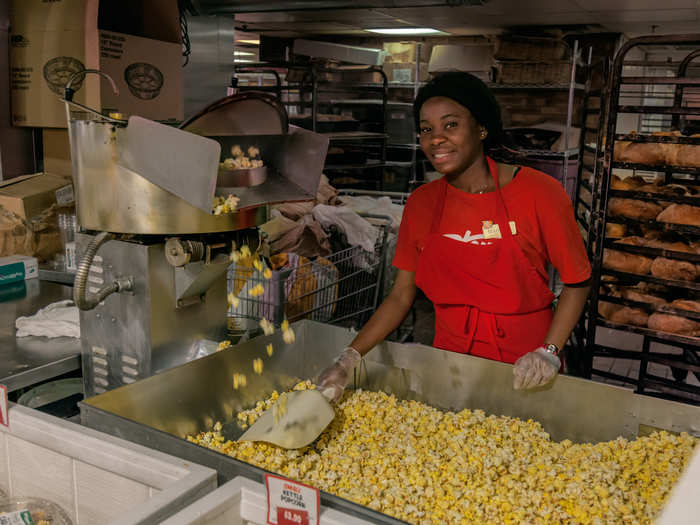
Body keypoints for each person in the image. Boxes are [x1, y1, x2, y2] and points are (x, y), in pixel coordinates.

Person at [318, 71, 591, 399]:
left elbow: (577, 282)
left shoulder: (540, 192)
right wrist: (350, 357)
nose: (436, 139)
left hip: (525, 362)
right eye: (426, 129)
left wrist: (548, 351)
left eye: (451, 125)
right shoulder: (421, 203)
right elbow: (401, 295)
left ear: (481, 127)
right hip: (450, 357)